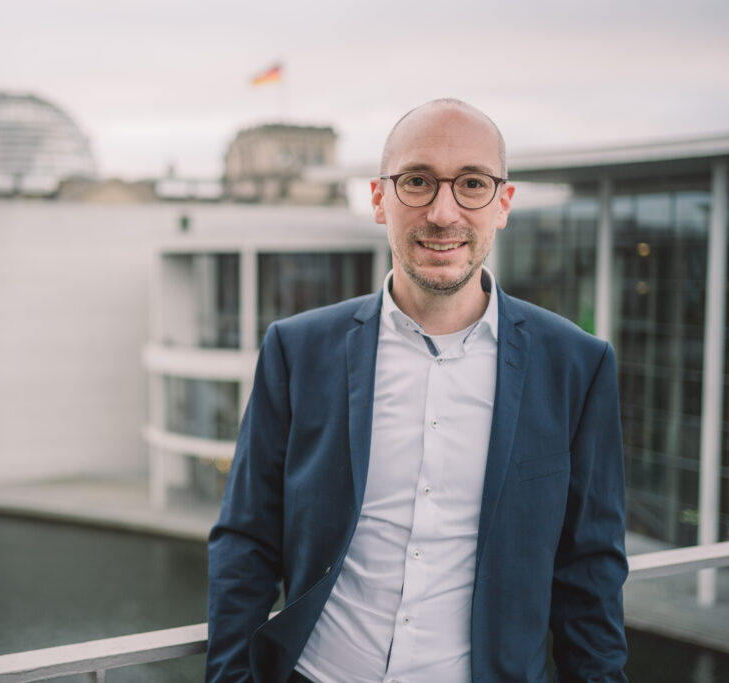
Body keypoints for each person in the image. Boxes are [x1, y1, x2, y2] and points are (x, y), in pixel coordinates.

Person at [206, 99, 628, 683]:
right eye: (417, 182)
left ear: (502, 204)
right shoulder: (296, 351)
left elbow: (590, 572)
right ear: (379, 199)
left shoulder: (577, 366)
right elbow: (245, 540)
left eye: (473, 184)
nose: (443, 212)